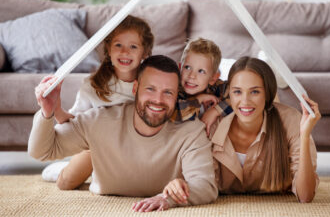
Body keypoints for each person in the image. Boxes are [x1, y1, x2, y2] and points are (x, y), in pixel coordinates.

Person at [29, 55, 218, 212]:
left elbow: (206, 186)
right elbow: (42, 152)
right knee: (65, 181)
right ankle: (61, 169)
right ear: (135, 88)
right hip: (100, 162)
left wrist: (169, 198)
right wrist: (47, 111)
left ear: (177, 95)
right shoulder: (100, 120)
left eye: (168, 92)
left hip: (118, 163)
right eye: (150, 89)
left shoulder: (191, 131)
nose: (158, 100)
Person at [162, 56, 321, 204]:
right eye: (237, 91)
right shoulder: (212, 127)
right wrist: (180, 184)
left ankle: (268, 65)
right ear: (229, 94)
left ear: (267, 93)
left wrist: (305, 135)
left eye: (255, 91)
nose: (245, 101)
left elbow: (305, 196)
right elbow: (200, 183)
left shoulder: (291, 120)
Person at [41, 15, 154, 190]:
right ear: (108, 49)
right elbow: (73, 125)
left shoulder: (152, 84)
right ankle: (66, 169)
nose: (125, 52)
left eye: (133, 46)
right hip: (99, 151)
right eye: (118, 45)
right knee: (65, 182)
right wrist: (56, 109)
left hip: (136, 152)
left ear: (145, 52)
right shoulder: (93, 85)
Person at [171, 38, 232, 135]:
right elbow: (174, 114)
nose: (191, 76)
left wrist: (215, 111)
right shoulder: (175, 89)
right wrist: (199, 99)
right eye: (187, 67)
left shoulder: (216, 87)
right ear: (180, 68)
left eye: (201, 71)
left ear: (213, 78)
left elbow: (239, 97)